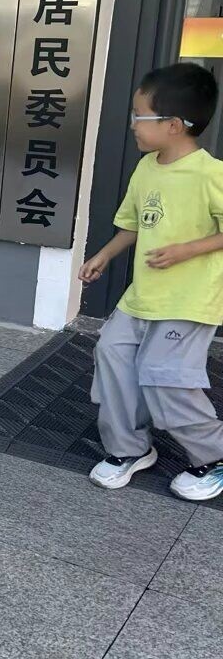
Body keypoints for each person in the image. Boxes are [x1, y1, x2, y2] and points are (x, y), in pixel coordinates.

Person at [79, 62, 223, 501]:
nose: (132, 125)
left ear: (174, 125)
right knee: (113, 355)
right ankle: (129, 448)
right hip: (142, 297)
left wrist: (188, 249)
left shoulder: (211, 174)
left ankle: (214, 457)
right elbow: (134, 224)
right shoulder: (146, 168)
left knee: (166, 376)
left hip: (189, 300)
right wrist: (104, 255)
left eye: (139, 116)